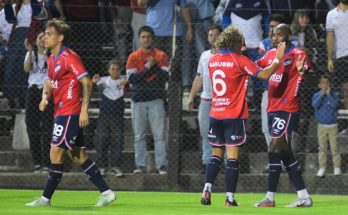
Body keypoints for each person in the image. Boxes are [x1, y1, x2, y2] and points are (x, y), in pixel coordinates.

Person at [25, 19, 115, 207]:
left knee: (55, 153)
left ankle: (45, 198)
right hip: (61, 112)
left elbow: (86, 81)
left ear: (60, 37)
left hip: (70, 111)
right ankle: (106, 192)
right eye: (45, 34)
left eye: (49, 34)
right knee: (77, 155)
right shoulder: (51, 58)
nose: (45, 37)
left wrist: (84, 110)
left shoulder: (69, 56)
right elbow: (49, 82)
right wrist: (44, 98)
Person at [200, 25, 286, 206]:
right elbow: (263, 75)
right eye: (242, 42)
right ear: (236, 43)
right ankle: (229, 199)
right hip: (233, 115)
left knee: (215, 155)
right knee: (232, 158)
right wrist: (277, 60)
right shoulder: (239, 60)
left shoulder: (213, 60)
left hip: (215, 113)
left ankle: (207, 188)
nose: (243, 46)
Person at [254, 24, 317, 208]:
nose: (275, 37)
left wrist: (303, 71)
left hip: (288, 108)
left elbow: (314, 81)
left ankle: (269, 198)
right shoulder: (270, 55)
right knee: (284, 152)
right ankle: (303, 196)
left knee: (274, 147)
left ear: (289, 35)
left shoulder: (298, 54)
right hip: (272, 109)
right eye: (273, 34)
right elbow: (255, 69)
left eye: (279, 33)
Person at [126, 25, 169, 174]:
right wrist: (149, 70)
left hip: (156, 100)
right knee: (139, 136)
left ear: (153, 39)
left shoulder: (161, 56)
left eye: (148, 37)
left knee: (159, 136)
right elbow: (131, 79)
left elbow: (165, 77)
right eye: (143, 37)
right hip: (138, 101)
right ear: (139, 39)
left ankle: (161, 165)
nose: (146, 40)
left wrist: (154, 66)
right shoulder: (133, 56)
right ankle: (140, 165)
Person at [187, 24, 222, 173]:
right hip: (206, 100)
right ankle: (207, 162)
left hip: (222, 101)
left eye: (216, 35)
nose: (213, 38)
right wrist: (191, 96)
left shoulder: (227, 55)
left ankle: (226, 163)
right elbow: (199, 77)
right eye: (210, 35)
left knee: (222, 134)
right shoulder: (204, 55)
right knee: (205, 132)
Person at [23, 32, 53, 173]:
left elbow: (53, 72)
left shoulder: (52, 55)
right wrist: (29, 51)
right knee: (32, 125)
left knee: (47, 127)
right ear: (35, 41)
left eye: (45, 38)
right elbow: (26, 69)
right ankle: (37, 161)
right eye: (40, 37)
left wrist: (46, 54)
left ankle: (47, 162)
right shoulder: (32, 54)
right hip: (33, 90)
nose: (42, 40)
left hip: (46, 92)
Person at [92, 60, 127, 177]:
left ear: (120, 70)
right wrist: (94, 82)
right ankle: (102, 166)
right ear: (108, 70)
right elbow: (95, 88)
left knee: (117, 141)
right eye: (112, 69)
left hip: (118, 116)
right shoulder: (103, 80)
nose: (115, 72)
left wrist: (126, 84)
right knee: (101, 140)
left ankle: (115, 166)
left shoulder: (124, 81)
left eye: (117, 69)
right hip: (104, 115)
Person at [312, 75, 342, 177]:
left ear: (330, 84)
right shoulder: (316, 95)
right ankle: (322, 167)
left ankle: (337, 167)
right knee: (322, 148)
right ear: (319, 85)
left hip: (333, 126)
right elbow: (315, 105)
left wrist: (329, 95)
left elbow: (335, 106)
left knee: (335, 147)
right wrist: (322, 95)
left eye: (327, 83)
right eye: (323, 83)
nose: (325, 85)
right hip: (321, 126)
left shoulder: (335, 94)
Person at [326, 0, 348, 133]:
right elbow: (330, 36)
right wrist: (329, 58)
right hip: (340, 57)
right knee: (346, 91)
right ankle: (347, 123)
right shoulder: (331, 14)